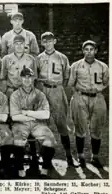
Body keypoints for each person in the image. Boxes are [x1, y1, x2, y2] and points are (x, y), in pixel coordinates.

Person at [68, 40, 108, 169]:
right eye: (86, 49)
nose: (89, 51)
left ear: (96, 51)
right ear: (82, 51)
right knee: (80, 129)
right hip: (81, 96)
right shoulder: (76, 65)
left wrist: (99, 89)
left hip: (97, 97)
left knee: (97, 129)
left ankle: (95, 157)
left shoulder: (103, 66)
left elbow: (107, 82)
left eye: (92, 49)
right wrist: (77, 95)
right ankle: (81, 157)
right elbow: (71, 83)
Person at [10, 67, 56, 178]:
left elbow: (46, 114)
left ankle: (44, 170)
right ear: (20, 79)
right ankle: (20, 170)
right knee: (18, 140)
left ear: (33, 79)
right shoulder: (15, 95)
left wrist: (27, 112)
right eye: (24, 77)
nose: (27, 80)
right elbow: (15, 116)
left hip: (38, 124)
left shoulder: (40, 94)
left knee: (50, 140)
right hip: (21, 124)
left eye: (29, 77)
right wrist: (34, 115)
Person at [37, 32, 74, 166]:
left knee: (61, 123)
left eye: (50, 41)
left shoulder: (62, 57)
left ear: (55, 41)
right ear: (42, 43)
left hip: (57, 89)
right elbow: (35, 75)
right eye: (45, 41)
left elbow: (66, 77)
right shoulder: (39, 58)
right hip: (43, 89)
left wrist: (58, 88)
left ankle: (69, 155)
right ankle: (44, 156)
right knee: (43, 124)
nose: (48, 43)